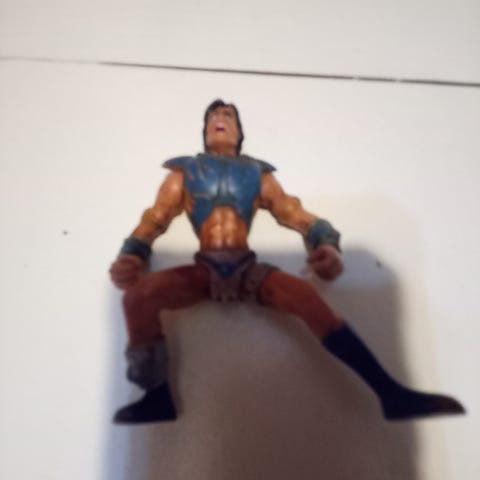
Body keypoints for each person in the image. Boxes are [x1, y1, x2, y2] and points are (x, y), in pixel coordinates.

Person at [110, 99, 464, 424]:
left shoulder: (257, 174)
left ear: (239, 132)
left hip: (246, 268)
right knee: (137, 298)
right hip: (204, 268)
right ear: (204, 131)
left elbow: (296, 214)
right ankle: (156, 398)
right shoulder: (184, 172)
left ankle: (391, 394)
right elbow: (154, 219)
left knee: (308, 300)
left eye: (228, 116)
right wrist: (131, 254)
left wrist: (327, 245)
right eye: (213, 117)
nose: (219, 120)